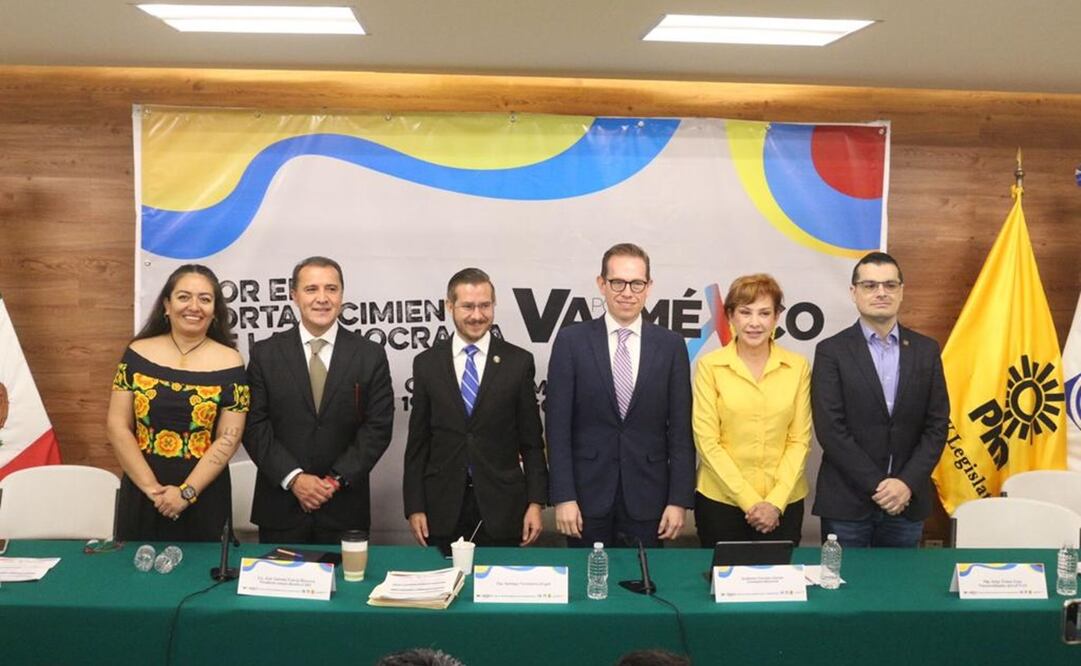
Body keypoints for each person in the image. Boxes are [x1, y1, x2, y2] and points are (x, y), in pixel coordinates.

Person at [547, 243, 694, 547]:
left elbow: (680, 431)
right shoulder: (571, 341)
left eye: (636, 283)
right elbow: (557, 428)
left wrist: (678, 500)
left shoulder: (671, 346)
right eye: (618, 282)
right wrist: (563, 496)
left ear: (648, 287)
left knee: (644, 577)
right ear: (601, 283)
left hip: (649, 499)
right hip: (585, 500)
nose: (627, 292)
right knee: (587, 576)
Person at [244, 256, 394, 545]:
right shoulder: (265, 354)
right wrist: (294, 479)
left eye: (331, 289)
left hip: (344, 509)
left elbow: (378, 428)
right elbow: (254, 426)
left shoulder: (370, 355)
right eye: (311, 289)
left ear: (342, 295)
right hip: (281, 509)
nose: (322, 298)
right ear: (294, 295)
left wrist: (334, 481)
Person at [811, 251, 949, 547]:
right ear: (854, 292)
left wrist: (905, 483)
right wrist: (879, 486)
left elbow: (937, 426)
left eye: (890, 285)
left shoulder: (926, 350)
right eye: (870, 285)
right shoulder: (831, 351)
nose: (881, 292)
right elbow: (830, 430)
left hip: (906, 501)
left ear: (901, 291)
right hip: (847, 503)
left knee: (900, 579)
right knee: (843, 578)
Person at [403, 268, 547, 548]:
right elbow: (418, 444)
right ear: (449, 306)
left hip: (504, 509)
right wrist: (414, 506)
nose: (477, 315)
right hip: (442, 509)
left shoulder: (518, 363)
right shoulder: (426, 364)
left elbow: (531, 442)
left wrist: (536, 503)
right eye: (468, 306)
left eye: (485, 306)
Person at [107, 264, 248, 541]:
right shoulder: (136, 353)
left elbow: (229, 436)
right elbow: (117, 425)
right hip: (143, 492)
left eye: (205, 299)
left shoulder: (232, 362)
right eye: (184, 297)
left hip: (204, 495)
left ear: (215, 310)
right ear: (166, 305)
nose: (194, 307)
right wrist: (153, 490)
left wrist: (186, 492)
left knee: (204, 568)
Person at [692, 274, 810, 547]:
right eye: (745, 312)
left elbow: (799, 441)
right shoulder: (710, 366)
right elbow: (707, 442)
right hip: (721, 503)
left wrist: (775, 502)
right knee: (722, 576)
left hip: (783, 505)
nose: (754, 323)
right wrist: (750, 501)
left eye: (764, 313)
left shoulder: (798, 367)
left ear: (776, 317)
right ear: (730, 316)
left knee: (780, 575)